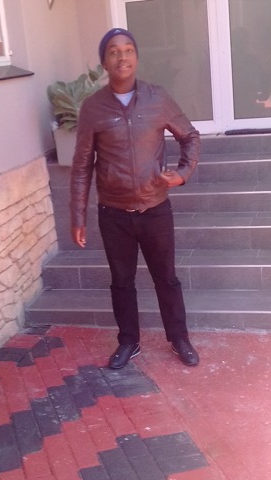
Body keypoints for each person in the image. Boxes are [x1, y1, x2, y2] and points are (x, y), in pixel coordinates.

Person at [70, 28, 201, 369]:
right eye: (114, 51)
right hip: (113, 213)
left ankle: (179, 338)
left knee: (167, 279)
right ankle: (129, 341)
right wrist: (78, 216)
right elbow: (82, 166)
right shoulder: (93, 108)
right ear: (104, 62)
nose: (122, 56)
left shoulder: (158, 98)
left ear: (137, 57)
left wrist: (182, 173)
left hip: (155, 208)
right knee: (122, 283)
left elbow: (190, 136)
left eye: (128, 50)